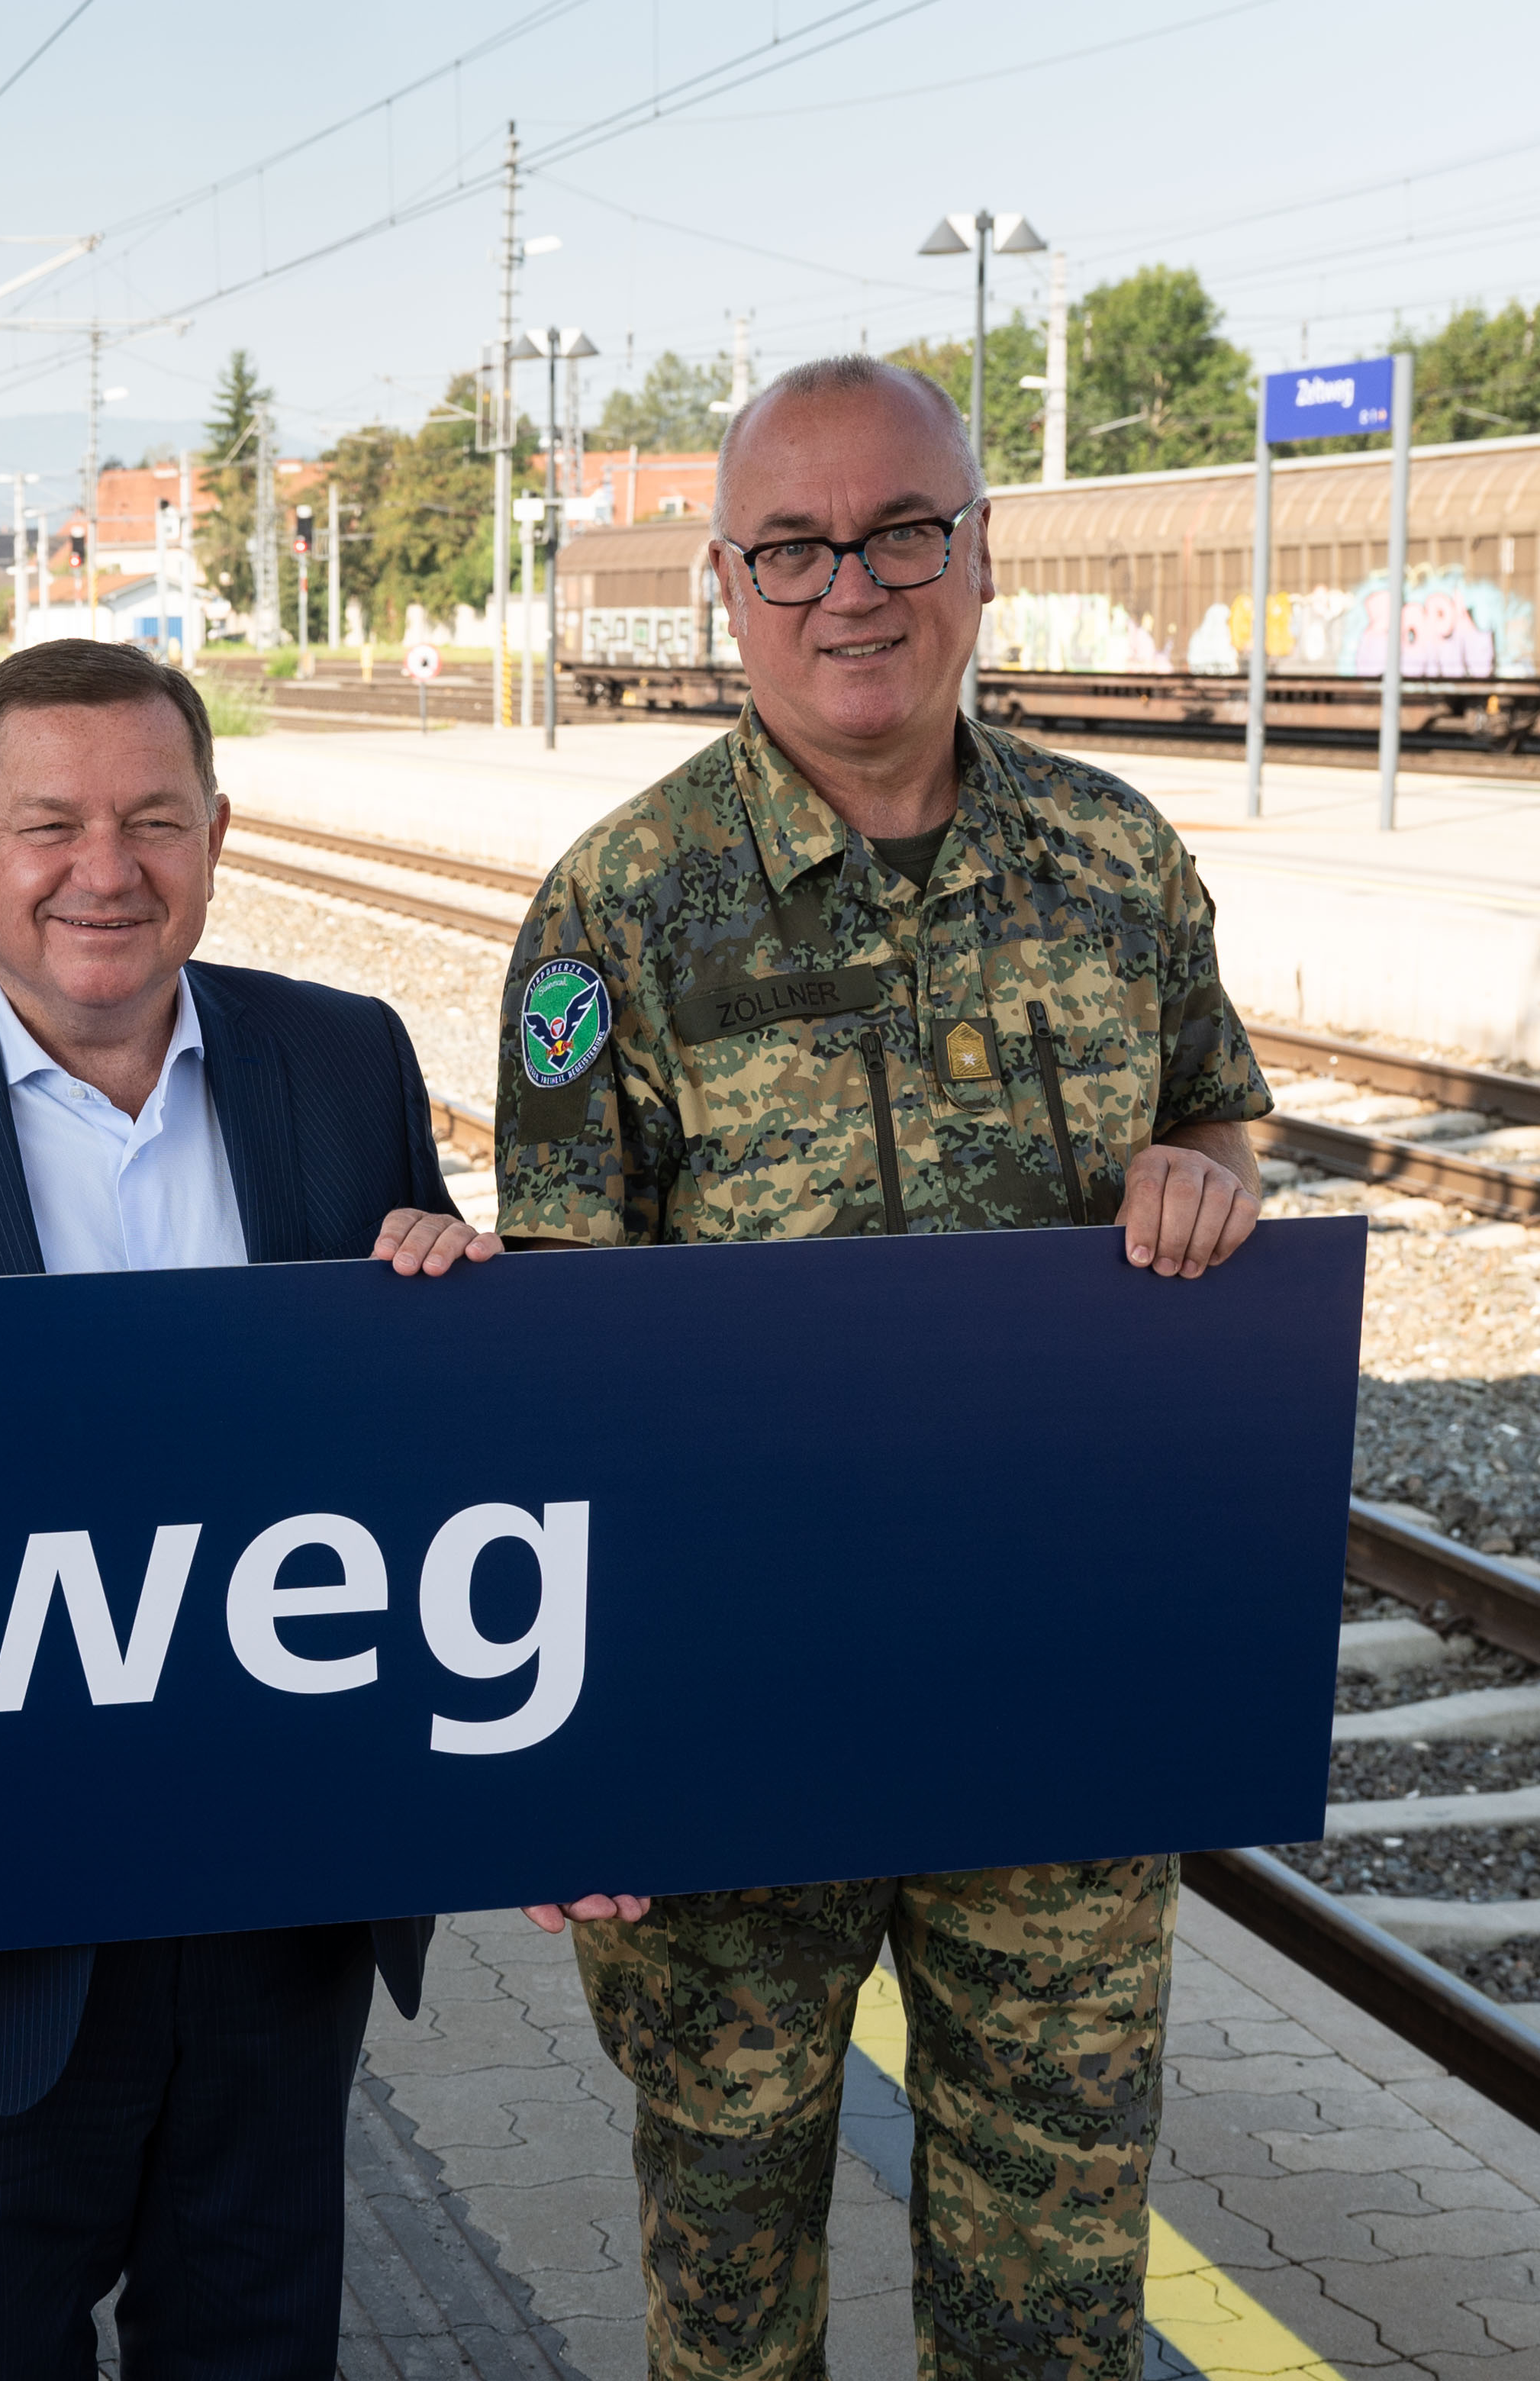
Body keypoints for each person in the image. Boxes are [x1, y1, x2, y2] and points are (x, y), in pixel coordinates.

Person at [493, 353, 1272, 2381]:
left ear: (981, 556)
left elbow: (1220, 1119)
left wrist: (1208, 1173)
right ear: (728, 586)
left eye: (903, 531)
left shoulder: (1115, 864)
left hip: (1059, 1709)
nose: (854, 588)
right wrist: (583, 1760)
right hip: (731, 1729)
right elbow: (561, 1357)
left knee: (1054, 2293)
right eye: (794, 548)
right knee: (732, 2282)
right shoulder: (616, 913)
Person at [0, 636, 494, 2380]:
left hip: (279, 1886)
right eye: (49, 823)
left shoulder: (343, 1064)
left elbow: (429, 1452)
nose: (102, 871)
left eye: (151, 819)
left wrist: (451, 1289)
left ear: (217, 832)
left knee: (260, 2346)